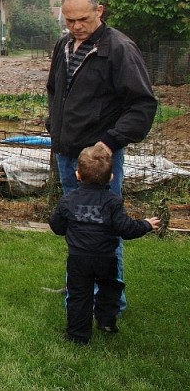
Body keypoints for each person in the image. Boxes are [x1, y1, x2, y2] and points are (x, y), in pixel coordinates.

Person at [46, 0, 157, 313]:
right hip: (67, 155)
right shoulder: (63, 45)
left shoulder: (118, 49)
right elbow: (55, 91)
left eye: (82, 19)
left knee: (104, 227)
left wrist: (108, 142)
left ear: (99, 11)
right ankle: (80, 287)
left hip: (99, 159)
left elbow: (142, 105)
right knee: (78, 226)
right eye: (69, 20)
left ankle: (109, 302)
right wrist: (54, 125)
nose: (76, 26)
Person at [49, 143, 160, 344]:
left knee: (78, 296)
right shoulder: (113, 202)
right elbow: (126, 229)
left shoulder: (69, 200)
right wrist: (145, 224)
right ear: (111, 177)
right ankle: (106, 320)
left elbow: (56, 226)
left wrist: (71, 228)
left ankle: (77, 335)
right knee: (110, 287)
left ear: (77, 175)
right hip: (106, 258)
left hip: (78, 259)